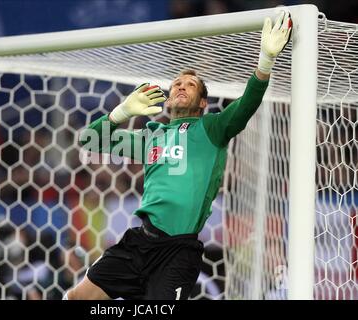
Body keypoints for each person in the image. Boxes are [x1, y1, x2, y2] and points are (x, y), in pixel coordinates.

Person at [65, 11, 292, 300]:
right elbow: (90, 139)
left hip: (177, 251)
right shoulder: (151, 136)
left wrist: (265, 62)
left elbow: (246, 105)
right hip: (137, 243)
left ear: (203, 103)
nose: (181, 86)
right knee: (76, 298)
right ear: (168, 98)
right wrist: (122, 111)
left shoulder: (212, 128)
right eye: (177, 84)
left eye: (190, 85)